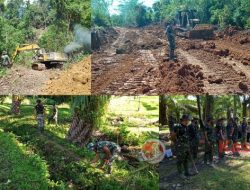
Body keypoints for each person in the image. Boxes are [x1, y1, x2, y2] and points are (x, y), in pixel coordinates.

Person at [172, 114, 191, 179]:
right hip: (180, 147)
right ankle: (180, 174)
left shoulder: (186, 127)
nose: (188, 121)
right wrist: (177, 143)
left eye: (188, 120)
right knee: (180, 160)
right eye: (188, 120)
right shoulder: (178, 126)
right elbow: (173, 136)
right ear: (184, 120)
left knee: (186, 159)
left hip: (186, 146)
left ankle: (187, 172)